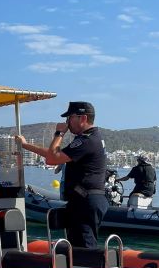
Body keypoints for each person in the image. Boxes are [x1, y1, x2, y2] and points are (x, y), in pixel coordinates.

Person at [15, 101, 108, 248]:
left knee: (84, 247)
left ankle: (88, 264)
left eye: (70, 118)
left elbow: (52, 158)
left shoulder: (87, 140)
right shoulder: (90, 138)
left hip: (85, 201)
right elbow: (54, 155)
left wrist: (59, 134)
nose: (67, 122)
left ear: (83, 118)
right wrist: (26, 145)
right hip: (85, 200)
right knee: (78, 245)